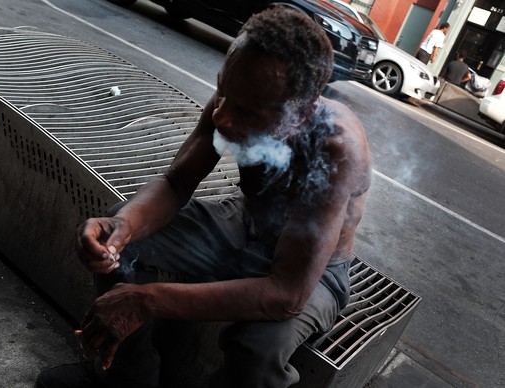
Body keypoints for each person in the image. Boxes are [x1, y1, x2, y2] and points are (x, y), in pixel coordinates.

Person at [36, 6, 372, 388]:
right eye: (223, 90)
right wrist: (123, 227)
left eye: (245, 110)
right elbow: (178, 183)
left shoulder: (334, 149)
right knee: (122, 238)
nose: (222, 117)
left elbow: (286, 294)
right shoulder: (239, 92)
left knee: (257, 351)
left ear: (299, 113)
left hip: (310, 272)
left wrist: (148, 299)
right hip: (245, 225)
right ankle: (125, 381)